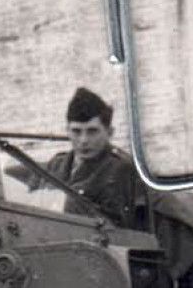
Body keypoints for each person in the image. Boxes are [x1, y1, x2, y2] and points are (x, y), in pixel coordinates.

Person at [42, 87, 144, 227]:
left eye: (92, 131)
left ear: (109, 132)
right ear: (67, 132)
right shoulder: (56, 164)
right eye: (76, 131)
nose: (83, 140)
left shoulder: (119, 169)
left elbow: (118, 229)